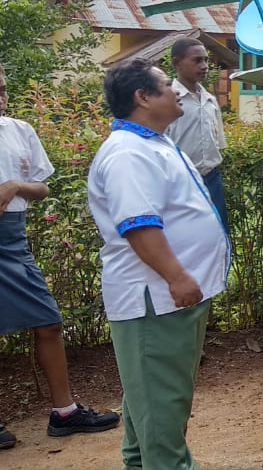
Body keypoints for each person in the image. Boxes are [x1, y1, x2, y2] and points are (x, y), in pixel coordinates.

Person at [87, 58, 231, 469]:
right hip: (156, 299)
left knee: (151, 404)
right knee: (162, 411)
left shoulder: (153, 143)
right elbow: (139, 225)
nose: (175, 91)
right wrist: (177, 276)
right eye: (167, 85)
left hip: (169, 299)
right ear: (143, 97)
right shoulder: (128, 153)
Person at [0, 64, 119, 450]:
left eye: (3, 89)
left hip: (12, 239)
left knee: (48, 321)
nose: (1, 97)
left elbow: (42, 187)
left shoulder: (19, 130)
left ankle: (64, 413)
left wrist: (15, 186)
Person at [164, 38, 229, 234]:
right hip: (180, 182)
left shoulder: (210, 100)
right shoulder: (168, 100)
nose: (204, 66)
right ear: (177, 63)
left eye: (206, 60)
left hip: (211, 179)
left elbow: (218, 143)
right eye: (197, 60)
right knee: (185, 236)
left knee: (218, 233)